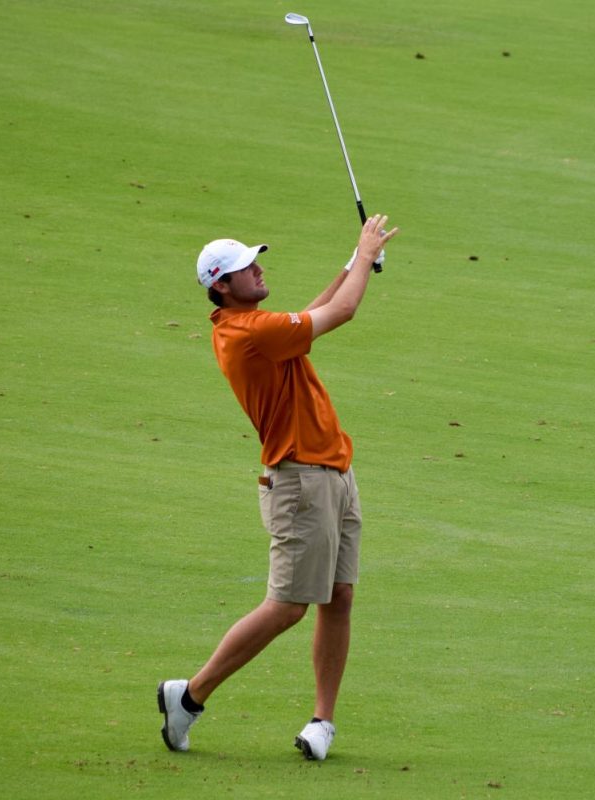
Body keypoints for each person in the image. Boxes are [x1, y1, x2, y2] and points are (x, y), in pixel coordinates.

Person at [158, 214, 399, 760]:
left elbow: (312, 314)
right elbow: (341, 313)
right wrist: (364, 258)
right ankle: (189, 697)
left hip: (333, 472)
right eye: (246, 267)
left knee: (339, 599)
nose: (258, 269)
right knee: (289, 606)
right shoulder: (249, 333)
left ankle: (322, 722)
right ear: (221, 286)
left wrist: (352, 263)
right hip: (300, 480)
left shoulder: (260, 326)